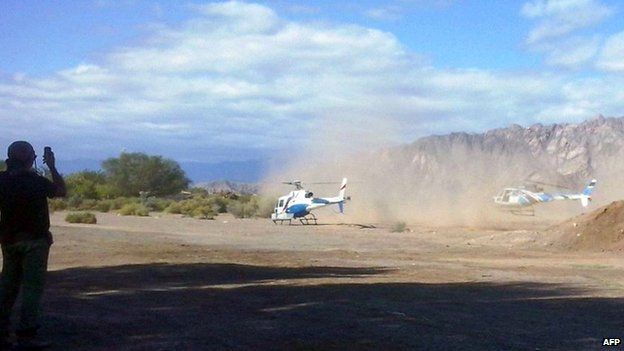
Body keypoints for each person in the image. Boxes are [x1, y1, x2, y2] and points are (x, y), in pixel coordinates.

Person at [0, 141, 66, 349]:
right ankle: (27, 332)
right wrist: (52, 166)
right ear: (30, 159)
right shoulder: (37, 181)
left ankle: (2, 329)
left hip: (10, 241)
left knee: (7, 285)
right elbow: (60, 191)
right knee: (32, 288)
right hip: (36, 241)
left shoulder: (2, 180)